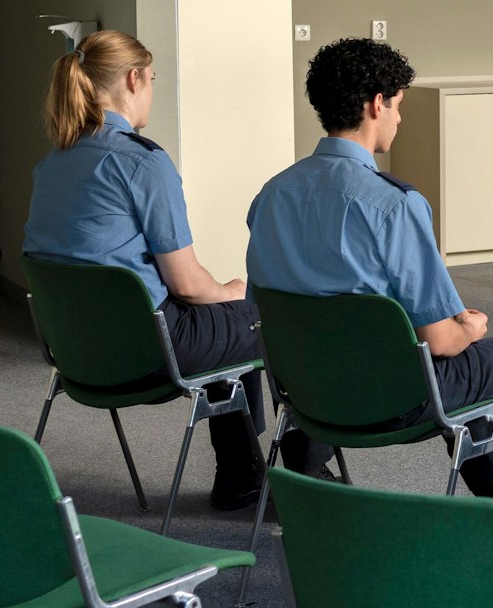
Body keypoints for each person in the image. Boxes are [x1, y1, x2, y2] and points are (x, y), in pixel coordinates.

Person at [244, 38, 493, 556]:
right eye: (398, 105)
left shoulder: (270, 196)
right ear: (376, 104)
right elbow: (441, 340)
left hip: (309, 394)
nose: (398, 119)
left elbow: (278, 306)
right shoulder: (394, 206)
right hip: (400, 398)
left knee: (368, 353)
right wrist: (470, 326)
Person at [24, 30, 295, 510]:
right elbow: (188, 286)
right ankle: (291, 471)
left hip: (77, 351)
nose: (151, 88)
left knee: (226, 329)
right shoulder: (141, 162)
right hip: (147, 351)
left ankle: (244, 472)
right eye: (150, 79)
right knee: (256, 314)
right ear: (133, 79)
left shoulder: (52, 163)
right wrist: (235, 290)